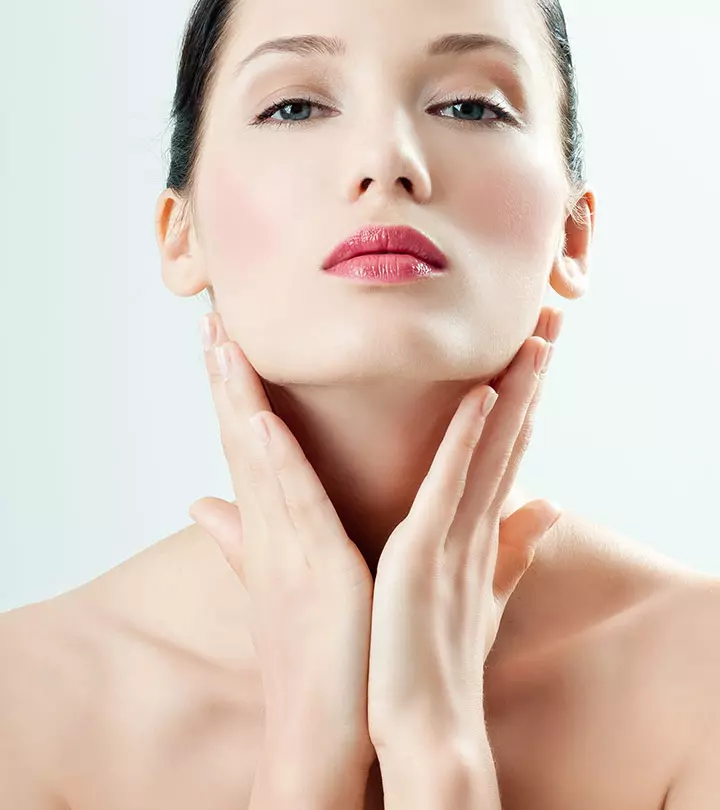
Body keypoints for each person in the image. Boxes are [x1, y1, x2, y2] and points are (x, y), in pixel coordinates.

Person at [2, 0, 719, 807]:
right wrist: (308, 756)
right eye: (296, 106)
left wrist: (434, 749)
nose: (387, 161)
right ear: (181, 233)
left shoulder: (707, 684)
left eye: (470, 106)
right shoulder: (22, 706)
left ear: (572, 237)